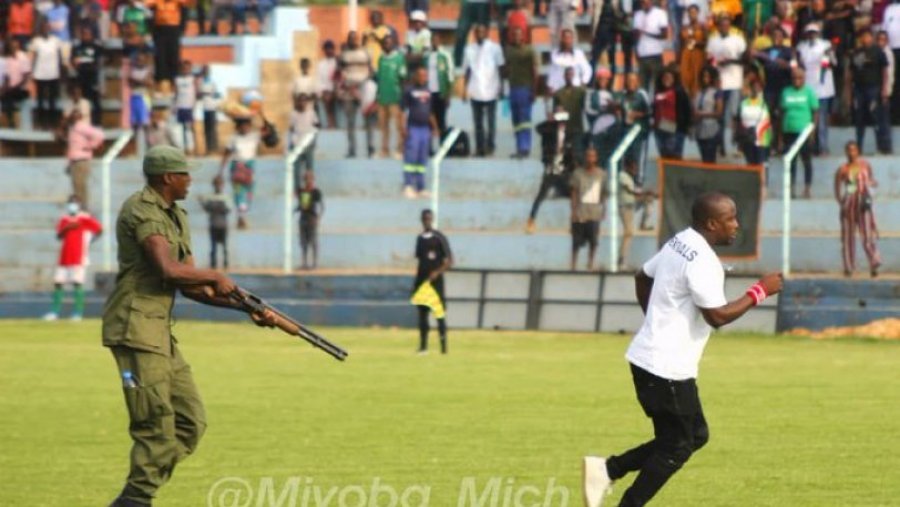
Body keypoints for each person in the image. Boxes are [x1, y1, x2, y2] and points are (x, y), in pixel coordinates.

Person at [582, 192, 784, 507]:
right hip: (666, 369)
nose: (736, 225)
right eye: (730, 218)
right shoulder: (703, 260)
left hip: (651, 360)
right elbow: (716, 316)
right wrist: (759, 291)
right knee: (676, 447)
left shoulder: (681, 241)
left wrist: (655, 322)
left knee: (693, 436)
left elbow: (642, 277)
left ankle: (608, 469)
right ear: (712, 223)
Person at [102, 145, 276, 507]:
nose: (190, 180)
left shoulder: (176, 215)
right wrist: (215, 273)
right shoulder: (142, 210)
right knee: (155, 425)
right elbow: (169, 269)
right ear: (168, 178)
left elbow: (191, 285)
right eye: (185, 174)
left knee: (189, 423)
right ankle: (136, 499)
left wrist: (245, 308)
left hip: (160, 332)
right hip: (135, 328)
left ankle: (135, 495)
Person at [43, 198, 102, 322]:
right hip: (64, 257)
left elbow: (99, 229)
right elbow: (59, 235)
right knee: (58, 283)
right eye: (70, 203)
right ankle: (54, 312)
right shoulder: (64, 219)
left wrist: (90, 241)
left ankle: (78, 313)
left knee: (77, 283)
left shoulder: (84, 219)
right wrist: (68, 227)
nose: (72, 206)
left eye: (74, 203)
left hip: (78, 257)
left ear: (79, 205)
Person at [216, 113, 273, 229]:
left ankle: (243, 214)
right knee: (238, 192)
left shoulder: (255, 136)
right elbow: (226, 155)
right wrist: (220, 171)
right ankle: (241, 216)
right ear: (238, 127)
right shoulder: (233, 138)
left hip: (250, 167)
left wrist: (262, 116)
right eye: (242, 125)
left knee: (249, 192)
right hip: (237, 166)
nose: (244, 128)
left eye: (247, 125)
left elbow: (269, 131)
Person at [834, 141, 881, 278]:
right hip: (849, 204)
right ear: (846, 152)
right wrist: (841, 201)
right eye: (849, 150)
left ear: (858, 151)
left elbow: (871, 180)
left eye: (854, 150)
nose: (851, 153)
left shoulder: (865, 165)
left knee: (867, 234)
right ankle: (848, 267)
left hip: (863, 203)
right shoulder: (843, 169)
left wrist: (870, 187)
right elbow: (837, 187)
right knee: (848, 237)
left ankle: (874, 263)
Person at [527, 108, 575, 233]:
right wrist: (550, 120)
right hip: (550, 168)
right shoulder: (549, 130)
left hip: (563, 168)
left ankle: (574, 222)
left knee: (574, 195)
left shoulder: (569, 132)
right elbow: (538, 128)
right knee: (541, 195)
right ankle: (531, 220)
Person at [413, 209, 453, 354]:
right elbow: (420, 260)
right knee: (422, 315)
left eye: (429, 219)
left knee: (439, 314)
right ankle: (423, 347)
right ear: (421, 220)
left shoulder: (439, 237)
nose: (427, 221)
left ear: (432, 219)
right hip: (422, 282)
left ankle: (443, 348)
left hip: (436, 284)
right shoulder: (420, 238)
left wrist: (437, 272)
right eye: (424, 219)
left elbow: (449, 261)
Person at [706, 14, 746, 156]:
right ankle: (720, 144)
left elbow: (744, 59)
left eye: (727, 25)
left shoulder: (737, 40)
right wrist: (716, 64)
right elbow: (709, 59)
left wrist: (730, 62)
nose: (724, 27)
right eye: (722, 25)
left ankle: (737, 145)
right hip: (719, 82)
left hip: (734, 81)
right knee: (720, 115)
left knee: (734, 114)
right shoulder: (713, 40)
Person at [462, 23, 505, 157]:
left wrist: (502, 87)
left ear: (486, 33)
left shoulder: (495, 48)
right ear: (474, 34)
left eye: (482, 32)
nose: (479, 34)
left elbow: (501, 68)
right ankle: (480, 148)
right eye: (477, 32)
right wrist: (464, 89)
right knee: (478, 122)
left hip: (491, 88)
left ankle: (490, 146)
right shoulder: (469, 49)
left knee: (491, 121)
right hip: (475, 89)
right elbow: (467, 70)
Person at [848, 28, 891, 155]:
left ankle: (880, 146)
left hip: (873, 88)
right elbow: (851, 72)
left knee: (875, 117)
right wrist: (849, 93)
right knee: (859, 118)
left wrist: (884, 89)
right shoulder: (857, 52)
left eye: (867, 36)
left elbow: (885, 72)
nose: (865, 39)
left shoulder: (878, 52)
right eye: (862, 36)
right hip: (859, 89)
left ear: (871, 37)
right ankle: (859, 147)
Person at [796, 23, 835, 155]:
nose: (812, 35)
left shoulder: (826, 45)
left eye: (814, 32)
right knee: (808, 120)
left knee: (822, 120)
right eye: (809, 32)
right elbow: (799, 64)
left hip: (822, 88)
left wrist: (829, 55)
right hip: (808, 87)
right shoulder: (801, 47)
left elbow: (834, 63)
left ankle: (823, 147)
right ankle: (809, 148)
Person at [401, 66, 439, 198]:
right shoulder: (409, 91)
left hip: (425, 129)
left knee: (422, 159)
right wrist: (404, 127)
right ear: (416, 76)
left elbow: (430, 112)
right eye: (421, 75)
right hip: (413, 127)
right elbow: (404, 111)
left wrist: (434, 127)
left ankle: (421, 187)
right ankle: (408, 186)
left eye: (425, 75)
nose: (423, 77)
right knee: (411, 157)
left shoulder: (428, 91)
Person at [781, 68, 818, 198]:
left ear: (804, 78)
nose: (797, 81)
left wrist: (813, 131)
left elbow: (815, 112)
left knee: (806, 160)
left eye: (800, 78)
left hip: (804, 132)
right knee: (791, 161)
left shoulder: (809, 92)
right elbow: (782, 112)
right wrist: (780, 136)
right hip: (789, 131)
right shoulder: (786, 92)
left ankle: (807, 188)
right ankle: (791, 189)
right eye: (794, 78)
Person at [754, 25, 791, 151]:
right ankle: (769, 142)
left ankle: (781, 142)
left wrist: (785, 64)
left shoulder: (788, 51)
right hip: (769, 87)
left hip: (783, 86)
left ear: (783, 38)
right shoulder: (766, 50)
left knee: (781, 114)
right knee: (768, 115)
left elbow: (794, 66)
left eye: (779, 36)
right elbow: (753, 55)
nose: (777, 38)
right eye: (774, 36)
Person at [338, 31, 374, 158]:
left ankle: (370, 148)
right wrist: (347, 85)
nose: (353, 40)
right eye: (351, 38)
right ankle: (352, 149)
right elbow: (340, 72)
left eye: (355, 38)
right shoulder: (344, 54)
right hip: (349, 91)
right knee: (350, 122)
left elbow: (371, 71)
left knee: (368, 121)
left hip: (363, 89)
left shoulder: (366, 53)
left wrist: (362, 85)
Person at [570, 146, 606, 271]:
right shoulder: (578, 173)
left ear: (596, 158)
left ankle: (590, 263)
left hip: (594, 213)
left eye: (592, 156)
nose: (590, 159)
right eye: (588, 156)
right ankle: (573, 265)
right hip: (581, 212)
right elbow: (574, 193)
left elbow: (604, 193)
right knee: (576, 241)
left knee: (593, 241)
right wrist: (573, 211)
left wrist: (604, 210)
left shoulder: (601, 174)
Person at [504, 26, 537, 159]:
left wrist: (534, 90)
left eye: (519, 35)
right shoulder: (509, 51)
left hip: (525, 88)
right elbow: (506, 69)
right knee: (516, 120)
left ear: (523, 37)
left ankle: (525, 147)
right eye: (515, 35)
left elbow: (535, 72)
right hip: (513, 88)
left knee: (525, 119)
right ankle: (519, 147)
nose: (517, 38)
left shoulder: (529, 51)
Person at [64, 107, 105, 210]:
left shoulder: (81, 126)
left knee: (81, 186)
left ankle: (84, 209)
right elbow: (71, 147)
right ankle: (80, 209)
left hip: (82, 159)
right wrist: (69, 164)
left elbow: (100, 134)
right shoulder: (72, 128)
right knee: (76, 186)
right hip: (75, 160)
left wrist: (90, 146)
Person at [618, 162, 656, 269]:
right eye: (633, 168)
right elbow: (630, 191)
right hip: (625, 206)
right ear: (627, 167)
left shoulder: (630, 178)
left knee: (649, 199)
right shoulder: (622, 176)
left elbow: (636, 192)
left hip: (631, 203)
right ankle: (621, 260)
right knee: (629, 233)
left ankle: (643, 223)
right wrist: (645, 192)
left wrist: (648, 193)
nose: (635, 171)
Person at [375, 35, 407, 159]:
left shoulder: (399, 59)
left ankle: (400, 149)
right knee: (383, 126)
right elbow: (379, 79)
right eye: (385, 43)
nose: (387, 45)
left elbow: (403, 79)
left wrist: (402, 97)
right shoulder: (381, 59)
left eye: (389, 43)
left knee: (398, 125)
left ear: (393, 44)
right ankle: (384, 150)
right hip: (382, 97)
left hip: (395, 97)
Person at [30, 19, 64, 129]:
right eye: (43, 27)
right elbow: (33, 58)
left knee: (52, 100)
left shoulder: (56, 40)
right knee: (40, 100)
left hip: (53, 73)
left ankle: (52, 123)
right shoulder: (36, 41)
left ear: (49, 28)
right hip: (40, 74)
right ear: (41, 29)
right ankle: (41, 123)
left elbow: (59, 57)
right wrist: (32, 72)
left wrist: (61, 71)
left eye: (47, 27)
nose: (45, 29)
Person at [652, 68, 691, 159]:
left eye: (669, 77)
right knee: (664, 156)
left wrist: (686, 127)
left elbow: (686, 109)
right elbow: (654, 108)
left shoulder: (679, 92)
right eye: (664, 78)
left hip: (674, 128)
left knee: (674, 157)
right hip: (659, 128)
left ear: (674, 79)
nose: (666, 80)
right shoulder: (658, 92)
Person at [735, 74, 772, 170]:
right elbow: (739, 121)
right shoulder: (744, 103)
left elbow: (771, 121)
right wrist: (739, 142)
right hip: (748, 139)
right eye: (754, 86)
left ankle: (763, 184)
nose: (756, 89)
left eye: (758, 86)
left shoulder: (766, 101)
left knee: (762, 165)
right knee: (750, 165)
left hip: (763, 140)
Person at [145, 0, 186, 85]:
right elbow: (148, 13)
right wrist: (151, 29)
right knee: (160, 56)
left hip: (174, 30)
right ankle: (160, 81)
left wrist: (181, 28)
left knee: (173, 55)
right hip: (159, 30)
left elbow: (184, 13)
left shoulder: (178, 2)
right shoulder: (155, 2)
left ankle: (173, 81)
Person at [585, 66, 620, 167]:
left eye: (606, 79)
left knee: (611, 153)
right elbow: (588, 110)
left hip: (613, 127)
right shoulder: (591, 93)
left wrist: (614, 108)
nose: (603, 81)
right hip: (598, 129)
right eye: (601, 78)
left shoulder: (614, 94)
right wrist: (603, 110)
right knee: (598, 154)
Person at [633, 0, 669, 95]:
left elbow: (664, 35)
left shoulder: (660, 13)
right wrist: (636, 51)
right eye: (643, 3)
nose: (645, 4)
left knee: (658, 83)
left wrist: (647, 33)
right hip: (642, 55)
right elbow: (636, 36)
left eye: (647, 2)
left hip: (655, 54)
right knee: (643, 85)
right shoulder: (638, 15)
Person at [553, 66, 587, 163]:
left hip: (577, 127)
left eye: (571, 74)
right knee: (561, 154)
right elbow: (555, 112)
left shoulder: (580, 92)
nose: (569, 77)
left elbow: (586, 107)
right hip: (563, 128)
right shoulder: (558, 94)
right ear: (564, 76)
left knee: (578, 153)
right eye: (567, 74)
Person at [71, 25, 104, 126]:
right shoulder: (77, 48)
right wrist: (75, 63)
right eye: (84, 34)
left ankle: (97, 123)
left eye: (88, 34)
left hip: (93, 78)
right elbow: (72, 60)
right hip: (81, 78)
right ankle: (82, 123)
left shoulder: (96, 47)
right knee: (82, 102)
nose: (86, 36)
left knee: (95, 102)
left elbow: (103, 58)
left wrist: (96, 64)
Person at [620, 73, 652, 179]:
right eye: (629, 81)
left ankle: (638, 181)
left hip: (638, 131)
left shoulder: (642, 94)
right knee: (627, 157)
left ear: (638, 82)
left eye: (633, 81)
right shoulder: (623, 95)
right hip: (626, 131)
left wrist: (638, 114)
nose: (630, 83)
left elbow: (650, 112)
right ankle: (628, 180)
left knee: (637, 158)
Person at [546, 28, 593, 94]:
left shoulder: (578, 54)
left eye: (570, 38)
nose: (568, 40)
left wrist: (583, 83)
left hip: (574, 89)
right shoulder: (555, 54)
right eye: (566, 38)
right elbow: (552, 72)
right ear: (562, 39)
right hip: (558, 89)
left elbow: (587, 70)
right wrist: (550, 86)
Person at [692, 66, 724, 164]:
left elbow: (719, 112)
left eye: (707, 76)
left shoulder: (716, 93)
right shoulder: (698, 92)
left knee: (710, 159)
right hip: (699, 129)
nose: (705, 79)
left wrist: (702, 114)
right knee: (704, 158)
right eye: (703, 76)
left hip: (711, 129)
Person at [426, 33, 454, 136]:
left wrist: (448, 95)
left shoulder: (445, 55)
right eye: (433, 40)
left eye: (437, 40)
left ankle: (443, 147)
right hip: (428, 93)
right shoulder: (427, 55)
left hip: (441, 92)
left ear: (440, 41)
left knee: (441, 120)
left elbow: (450, 75)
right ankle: (429, 148)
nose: (435, 43)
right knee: (429, 120)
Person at [289, 93, 318, 190]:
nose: (302, 103)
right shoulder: (293, 114)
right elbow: (292, 128)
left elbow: (316, 125)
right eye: (300, 100)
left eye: (305, 101)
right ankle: (297, 189)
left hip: (308, 144)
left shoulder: (311, 113)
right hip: (297, 144)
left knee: (309, 169)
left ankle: (310, 188)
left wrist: (313, 140)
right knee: (296, 169)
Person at [199, 179, 230, 270]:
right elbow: (207, 208)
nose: (218, 186)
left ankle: (225, 265)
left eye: (220, 184)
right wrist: (202, 202)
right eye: (217, 184)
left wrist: (216, 206)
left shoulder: (225, 197)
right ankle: (213, 266)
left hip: (223, 225)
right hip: (213, 225)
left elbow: (228, 210)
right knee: (213, 248)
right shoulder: (211, 197)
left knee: (224, 248)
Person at [296, 170, 324, 271]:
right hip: (303, 218)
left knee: (313, 241)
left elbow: (321, 206)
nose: (308, 180)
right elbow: (300, 205)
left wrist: (318, 218)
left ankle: (314, 263)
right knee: (303, 242)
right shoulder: (301, 191)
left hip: (312, 218)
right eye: (306, 178)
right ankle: (304, 263)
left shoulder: (316, 192)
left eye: (310, 178)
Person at [1, 37, 31, 128]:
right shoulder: (6, 58)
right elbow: (6, 76)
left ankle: (11, 123)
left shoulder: (23, 57)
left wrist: (13, 87)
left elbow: (26, 77)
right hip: (8, 88)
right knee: (5, 95)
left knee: (7, 96)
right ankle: (8, 122)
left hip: (21, 89)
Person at [679, 5, 707, 98]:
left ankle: (696, 100)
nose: (692, 15)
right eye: (690, 12)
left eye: (694, 12)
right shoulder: (684, 27)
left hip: (698, 55)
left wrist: (696, 43)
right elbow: (681, 42)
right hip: (686, 56)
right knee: (685, 78)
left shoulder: (702, 26)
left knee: (697, 77)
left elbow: (706, 43)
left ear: (698, 13)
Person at [453, 0, 491, 66]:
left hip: (484, 3)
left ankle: (483, 64)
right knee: (461, 33)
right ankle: (457, 64)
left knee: (482, 36)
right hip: (468, 3)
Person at [174, 60, 198, 155]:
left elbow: (196, 92)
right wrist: (174, 105)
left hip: (190, 106)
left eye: (187, 68)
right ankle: (183, 148)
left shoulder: (193, 79)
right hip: (180, 106)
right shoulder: (177, 79)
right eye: (183, 68)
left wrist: (194, 105)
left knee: (190, 128)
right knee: (181, 128)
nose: (185, 70)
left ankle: (193, 148)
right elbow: (176, 93)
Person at [129, 51, 154, 143]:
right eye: (138, 60)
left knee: (146, 122)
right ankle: (135, 144)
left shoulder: (147, 71)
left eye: (142, 60)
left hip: (144, 97)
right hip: (134, 97)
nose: (140, 62)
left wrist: (138, 82)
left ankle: (149, 142)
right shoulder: (133, 71)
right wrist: (142, 82)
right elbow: (131, 83)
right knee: (134, 122)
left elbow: (149, 83)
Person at [198, 65, 220, 154]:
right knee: (206, 129)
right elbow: (199, 94)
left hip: (212, 107)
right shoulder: (201, 82)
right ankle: (208, 148)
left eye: (207, 70)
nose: (206, 72)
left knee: (212, 128)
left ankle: (214, 148)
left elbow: (216, 93)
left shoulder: (212, 82)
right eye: (204, 70)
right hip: (204, 107)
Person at [316, 40, 339, 130]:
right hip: (326, 90)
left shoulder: (337, 62)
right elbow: (319, 80)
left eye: (330, 49)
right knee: (326, 98)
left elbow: (339, 77)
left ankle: (333, 123)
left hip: (337, 89)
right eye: (327, 49)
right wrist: (323, 91)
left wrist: (334, 89)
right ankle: (330, 123)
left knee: (330, 97)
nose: (329, 51)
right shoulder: (321, 64)